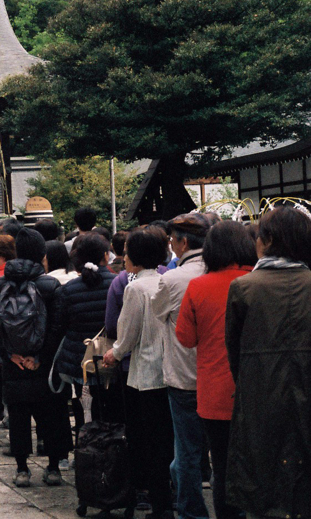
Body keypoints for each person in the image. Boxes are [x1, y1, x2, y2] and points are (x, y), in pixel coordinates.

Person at [225, 206, 311, 519]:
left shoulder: (244, 287)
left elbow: (233, 351)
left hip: (259, 395)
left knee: (260, 483)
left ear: (269, 239)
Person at [176, 221, 255, 519]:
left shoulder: (199, 286)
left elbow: (186, 338)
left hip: (214, 392)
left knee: (221, 465)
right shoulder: (255, 281)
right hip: (255, 389)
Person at [0, 228, 67, 488]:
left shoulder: (0, 284)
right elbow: (59, 326)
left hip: (13, 365)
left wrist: (11, 354)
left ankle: (22, 469)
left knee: (18, 417)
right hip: (44, 367)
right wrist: (41, 357)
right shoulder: (50, 285)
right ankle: (53, 468)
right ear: (43, 255)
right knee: (51, 415)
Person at [103, 229, 175, 519]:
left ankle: (151, 501)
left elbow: (127, 334)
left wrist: (114, 354)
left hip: (143, 374)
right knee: (166, 440)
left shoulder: (135, 289)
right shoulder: (167, 282)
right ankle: (168, 500)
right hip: (170, 371)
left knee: (144, 441)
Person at [152, 213, 210, 519]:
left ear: (183, 242)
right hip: (219, 375)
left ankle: (191, 511)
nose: (171, 246)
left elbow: (157, 313)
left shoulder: (173, 279)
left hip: (183, 373)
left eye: (172, 240)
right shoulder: (225, 273)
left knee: (186, 452)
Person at [53, 234, 115, 427]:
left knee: (84, 408)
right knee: (111, 408)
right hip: (112, 357)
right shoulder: (117, 284)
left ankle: (86, 450)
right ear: (106, 256)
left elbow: (59, 325)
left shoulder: (68, 289)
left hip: (80, 359)